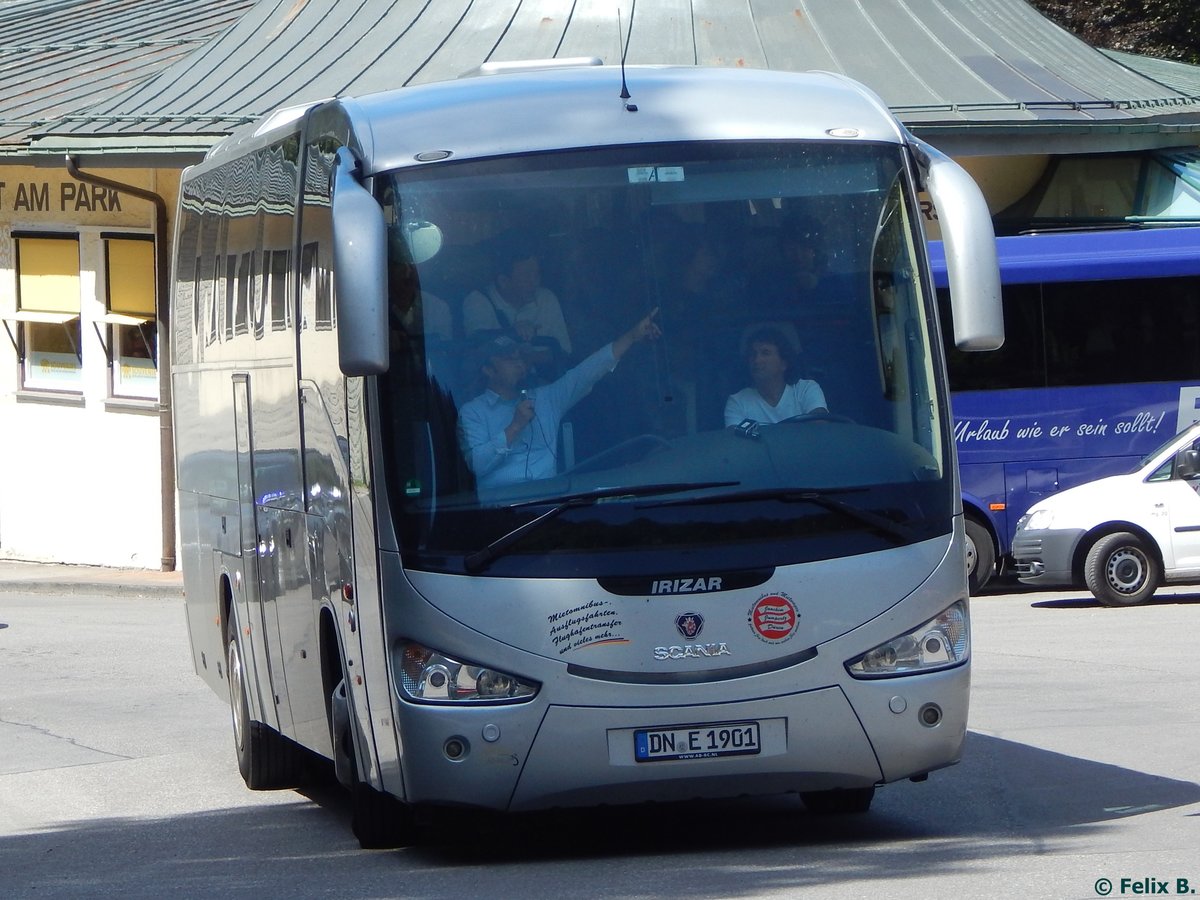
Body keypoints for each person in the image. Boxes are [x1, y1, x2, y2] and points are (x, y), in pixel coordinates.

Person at [458, 309, 662, 493]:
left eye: (518, 356)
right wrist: (514, 427)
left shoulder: (545, 398)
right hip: (499, 509)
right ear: (488, 370)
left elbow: (587, 372)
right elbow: (474, 467)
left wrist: (632, 336)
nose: (518, 363)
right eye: (508, 359)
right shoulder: (472, 412)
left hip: (549, 504)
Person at [462, 240, 573, 357]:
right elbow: (478, 352)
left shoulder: (547, 299)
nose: (534, 282)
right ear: (503, 281)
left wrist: (530, 359)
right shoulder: (478, 301)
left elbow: (564, 352)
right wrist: (511, 333)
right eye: (526, 276)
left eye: (536, 274)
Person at [724, 325, 827, 426]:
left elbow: (819, 430)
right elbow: (736, 441)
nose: (756, 360)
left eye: (765, 353)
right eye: (753, 354)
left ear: (784, 363)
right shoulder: (737, 402)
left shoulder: (806, 389)